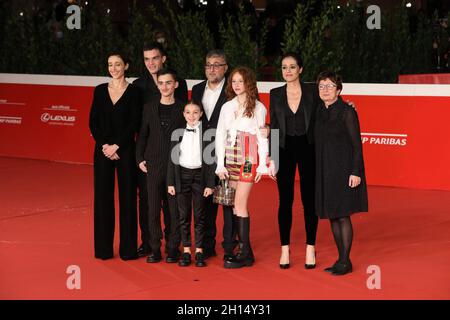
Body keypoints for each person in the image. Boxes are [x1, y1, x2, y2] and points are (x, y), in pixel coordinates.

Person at [133, 42, 188, 258]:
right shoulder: (145, 101)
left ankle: (173, 247)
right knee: (152, 207)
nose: (164, 86)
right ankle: (153, 247)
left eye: (168, 83)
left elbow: (189, 133)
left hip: (174, 164)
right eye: (146, 59)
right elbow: (142, 133)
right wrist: (139, 157)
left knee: (174, 209)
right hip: (152, 162)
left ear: (174, 84)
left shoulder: (183, 106)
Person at [215, 66, 271, 268]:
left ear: (249, 83)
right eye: (234, 81)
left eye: (241, 81)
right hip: (230, 158)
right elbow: (220, 135)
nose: (237, 85)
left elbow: (263, 137)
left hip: (248, 159)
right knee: (233, 204)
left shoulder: (258, 107)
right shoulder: (227, 107)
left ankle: (245, 253)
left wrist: (263, 164)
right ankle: (245, 251)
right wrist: (220, 164)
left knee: (240, 205)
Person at [315, 71, 368, 276]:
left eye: (329, 86)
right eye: (321, 86)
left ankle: (346, 261)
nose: (325, 90)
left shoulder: (347, 111)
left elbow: (357, 146)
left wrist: (356, 172)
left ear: (338, 90)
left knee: (343, 215)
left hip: (344, 170)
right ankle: (341, 258)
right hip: (325, 171)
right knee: (332, 215)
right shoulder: (319, 111)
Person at [269, 52, 318, 269]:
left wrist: (348, 106)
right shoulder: (275, 93)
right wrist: (272, 156)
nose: (287, 71)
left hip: (309, 148)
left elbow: (329, 107)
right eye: (284, 67)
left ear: (301, 69)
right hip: (284, 148)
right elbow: (274, 125)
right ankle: (285, 249)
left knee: (309, 201)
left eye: (291, 67)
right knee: (285, 201)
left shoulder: (313, 90)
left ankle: (310, 247)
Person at [89, 52, 140, 260]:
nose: (113, 68)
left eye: (118, 64)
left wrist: (118, 145)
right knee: (102, 200)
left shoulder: (135, 92)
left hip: (126, 151)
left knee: (128, 199)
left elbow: (135, 122)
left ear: (126, 66)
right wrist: (105, 146)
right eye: (110, 64)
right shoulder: (100, 91)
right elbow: (93, 122)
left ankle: (128, 250)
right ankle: (103, 250)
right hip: (103, 151)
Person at [191, 49, 238, 261]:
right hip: (203, 154)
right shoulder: (198, 88)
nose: (212, 69)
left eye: (217, 65)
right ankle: (206, 245)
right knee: (205, 200)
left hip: (228, 153)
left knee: (229, 202)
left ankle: (230, 246)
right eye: (208, 64)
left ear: (225, 68)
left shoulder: (233, 89)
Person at [167, 102, 216, 267]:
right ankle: (187, 249)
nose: (191, 116)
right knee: (183, 215)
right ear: (183, 114)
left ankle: (200, 250)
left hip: (200, 177)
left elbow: (211, 162)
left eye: (195, 112)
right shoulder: (177, 133)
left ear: (201, 113)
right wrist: (170, 182)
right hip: (182, 176)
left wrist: (210, 184)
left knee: (200, 215)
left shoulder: (208, 134)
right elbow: (172, 160)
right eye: (188, 112)